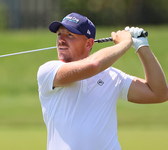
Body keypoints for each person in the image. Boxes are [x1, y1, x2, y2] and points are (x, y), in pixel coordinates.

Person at [37, 12, 168, 150]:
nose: (61, 40)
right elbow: (94, 64)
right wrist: (124, 43)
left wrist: (142, 47)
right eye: (59, 34)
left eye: (70, 35)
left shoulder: (112, 76)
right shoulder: (48, 71)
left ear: (89, 44)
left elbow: (159, 93)